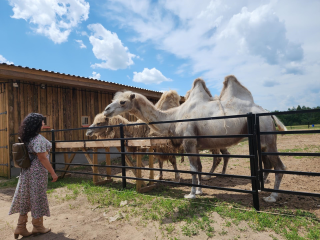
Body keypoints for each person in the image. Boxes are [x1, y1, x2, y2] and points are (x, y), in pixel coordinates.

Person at [9, 113, 58, 239]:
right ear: (37, 124)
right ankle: (38, 227)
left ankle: (21, 226)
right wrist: (53, 172)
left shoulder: (27, 138)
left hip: (26, 172)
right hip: (37, 173)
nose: (43, 123)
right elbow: (42, 158)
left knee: (26, 198)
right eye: (42, 121)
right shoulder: (38, 139)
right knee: (38, 197)